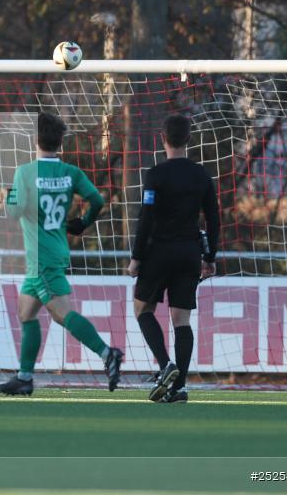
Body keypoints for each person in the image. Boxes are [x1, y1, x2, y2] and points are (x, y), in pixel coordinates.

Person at [0, 112, 122, 396]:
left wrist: (10, 193)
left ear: (35, 139)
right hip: (52, 252)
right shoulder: (70, 172)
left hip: (41, 258)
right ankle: (24, 377)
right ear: (59, 142)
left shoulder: (25, 172)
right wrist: (83, 222)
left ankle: (107, 353)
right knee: (26, 312)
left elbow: (13, 212)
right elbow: (97, 200)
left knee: (62, 314)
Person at [127, 114, 220, 404]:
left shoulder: (155, 175)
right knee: (182, 320)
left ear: (162, 139)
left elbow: (146, 219)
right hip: (189, 253)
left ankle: (165, 365)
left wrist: (136, 257)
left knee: (142, 309)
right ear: (188, 139)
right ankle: (179, 387)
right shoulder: (201, 175)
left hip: (159, 252)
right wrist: (210, 255)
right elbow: (215, 219)